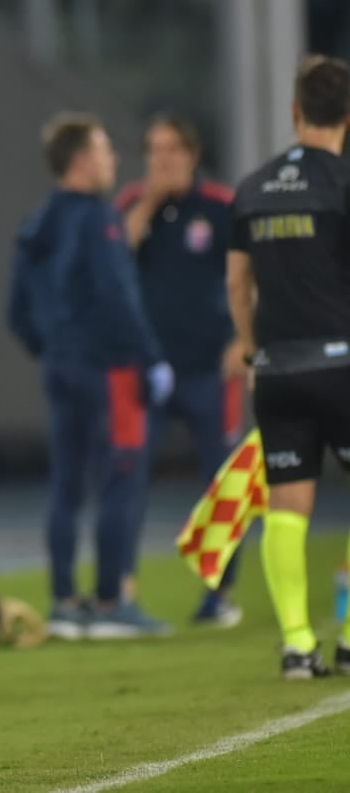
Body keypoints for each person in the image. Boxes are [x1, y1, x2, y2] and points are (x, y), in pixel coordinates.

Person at [6, 113, 176, 641]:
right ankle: (110, 602)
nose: (113, 160)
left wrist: (54, 347)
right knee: (122, 479)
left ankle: (63, 601)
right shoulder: (99, 219)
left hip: (61, 367)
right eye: (105, 150)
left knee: (66, 486)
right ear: (81, 160)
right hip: (109, 369)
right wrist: (150, 358)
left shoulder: (38, 223)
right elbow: (116, 297)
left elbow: (16, 311)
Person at [226, 54, 350, 679]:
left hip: (276, 371)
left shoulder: (251, 188)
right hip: (341, 364)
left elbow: (237, 280)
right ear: (346, 117)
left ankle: (298, 645)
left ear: (296, 112)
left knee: (286, 507)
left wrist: (251, 349)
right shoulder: (343, 185)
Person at [115, 114, 248, 627]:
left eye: (171, 150)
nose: (161, 160)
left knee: (222, 485)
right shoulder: (132, 205)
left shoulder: (220, 206)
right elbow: (113, 262)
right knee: (127, 479)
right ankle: (120, 591)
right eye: (153, 150)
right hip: (147, 373)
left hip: (209, 368)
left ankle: (219, 594)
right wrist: (149, 202)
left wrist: (244, 340)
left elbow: (250, 276)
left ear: (192, 154)